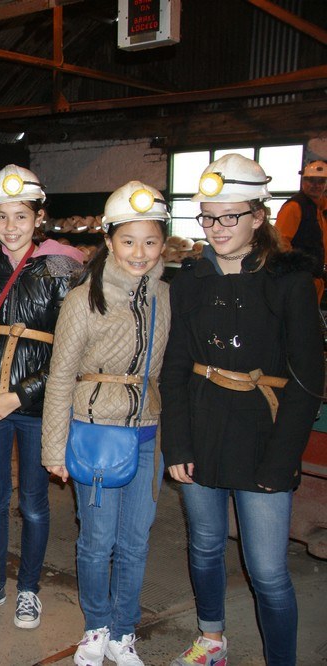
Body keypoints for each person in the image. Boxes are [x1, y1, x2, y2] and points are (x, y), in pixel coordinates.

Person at [161, 154, 322, 666]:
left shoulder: (288, 281)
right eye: (208, 217)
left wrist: (282, 460)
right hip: (203, 428)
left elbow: (307, 380)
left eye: (230, 215)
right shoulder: (189, 279)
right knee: (205, 546)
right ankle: (212, 640)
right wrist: (177, 443)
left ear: (258, 215)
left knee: (268, 571)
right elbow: (174, 368)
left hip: (263, 434)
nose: (217, 227)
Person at [0, 164, 82, 628]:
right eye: (2, 216)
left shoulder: (63, 269)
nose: (10, 226)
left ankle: (28, 589)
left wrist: (20, 396)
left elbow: (71, 349)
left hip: (38, 406)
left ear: (39, 217)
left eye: (21, 216)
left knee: (33, 502)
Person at [42, 182, 172, 666]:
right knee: (98, 542)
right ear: (110, 241)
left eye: (150, 241)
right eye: (128, 240)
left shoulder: (164, 296)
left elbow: (168, 371)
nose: (139, 252)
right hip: (95, 431)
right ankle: (96, 626)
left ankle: (123, 631)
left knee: (135, 543)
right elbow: (60, 377)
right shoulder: (84, 299)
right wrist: (54, 449)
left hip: (148, 433)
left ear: (163, 243)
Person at [275, 159, 327, 302]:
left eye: (321, 181)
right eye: (311, 180)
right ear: (303, 181)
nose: (316, 185)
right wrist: (295, 270)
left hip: (315, 277)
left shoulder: (320, 208)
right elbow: (280, 241)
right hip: (299, 278)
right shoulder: (294, 207)